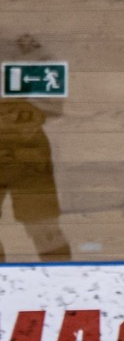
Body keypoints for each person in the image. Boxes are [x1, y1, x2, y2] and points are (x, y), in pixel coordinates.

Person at [0, 97, 71, 263]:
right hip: (28, 138)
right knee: (44, 227)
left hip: (28, 141)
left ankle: (61, 282)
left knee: (44, 226)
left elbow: (54, 101)